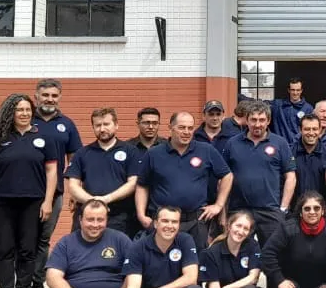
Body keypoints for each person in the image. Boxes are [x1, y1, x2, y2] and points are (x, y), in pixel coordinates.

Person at [0, 93, 57, 288]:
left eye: (28, 109)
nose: (24, 113)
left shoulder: (44, 138)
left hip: (33, 203)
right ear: (11, 112)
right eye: (19, 109)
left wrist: (48, 201)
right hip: (2, 203)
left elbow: (51, 172)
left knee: (28, 250)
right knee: (5, 251)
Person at [134, 112, 233, 251]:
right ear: (171, 128)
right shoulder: (154, 154)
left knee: (197, 264)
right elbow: (142, 185)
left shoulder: (206, 150)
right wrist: (141, 215)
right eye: (181, 127)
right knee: (161, 263)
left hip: (196, 222)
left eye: (190, 128)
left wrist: (218, 205)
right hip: (164, 222)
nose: (186, 132)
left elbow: (227, 175)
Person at [31, 78, 83, 288]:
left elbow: (75, 161)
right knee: (23, 241)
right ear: (36, 96)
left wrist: (74, 191)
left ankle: (37, 285)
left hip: (55, 194)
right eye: (45, 95)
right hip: (24, 192)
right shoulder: (25, 120)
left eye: (54, 95)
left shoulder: (67, 125)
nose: (49, 99)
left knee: (43, 240)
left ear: (59, 97)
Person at [221, 101, 296, 250]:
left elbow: (291, 177)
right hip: (239, 209)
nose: (257, 124)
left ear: (268, 121)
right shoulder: (232, 144)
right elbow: (223, 178)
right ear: (246, 120)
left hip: (270, 212)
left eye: (262, 120)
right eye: (253, 120)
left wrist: (283, 209)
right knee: (237, 253)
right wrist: (223, 213)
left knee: (272, 255)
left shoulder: (280, 143)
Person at [64, 108, 143, 237]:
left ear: (116, 125)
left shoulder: (131, 151)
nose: (102, 129)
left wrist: (107, 199)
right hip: (87, 216)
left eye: (106, 124)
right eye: (98, 125)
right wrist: (92, 202)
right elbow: (73, 185)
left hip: (119, 217)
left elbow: (133, 183)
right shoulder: (82, 153)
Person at [292, 115, 326, 208]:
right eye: (307, 129)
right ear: (300, 129)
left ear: (320, 130)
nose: (311, 133)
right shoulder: (289, 152)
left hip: (322, 210)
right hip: (294, 210)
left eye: (315, 129)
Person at [270, 77, 313, 148]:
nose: (295, 93)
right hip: (279, 147)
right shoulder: (277, 105)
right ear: (288, 90)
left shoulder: (308, 109)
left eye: (298, 90)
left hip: (299, 147)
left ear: (301, 90)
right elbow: (260, 105)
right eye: (293, 90)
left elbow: (310, 129)